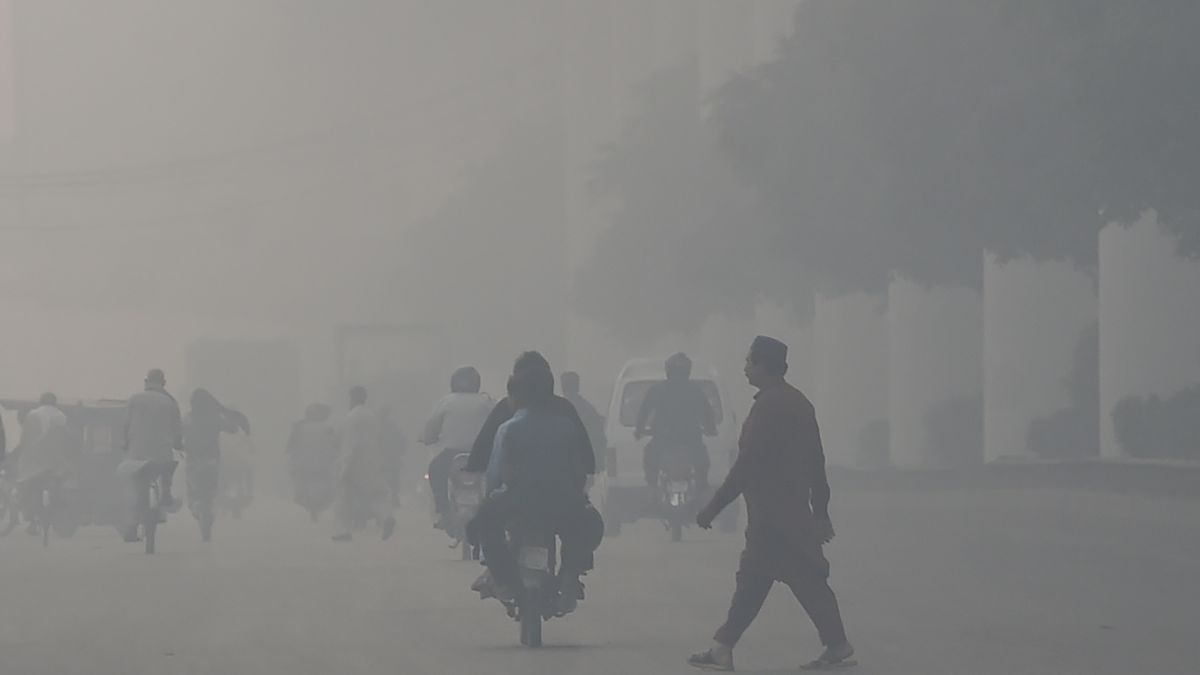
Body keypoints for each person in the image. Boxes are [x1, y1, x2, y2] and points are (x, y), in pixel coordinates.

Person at [688, 337, 853, 672]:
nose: (745, 368)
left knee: (775, 579)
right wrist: (820, 510)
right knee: (775, 579)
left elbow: (747, 465)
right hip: (789, 512)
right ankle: (726, 645)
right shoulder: (799, 403)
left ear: (764, 365)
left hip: (773, 516)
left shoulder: (769, 407)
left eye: (749, 361)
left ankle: (725, 646)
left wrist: (713, 507)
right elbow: (817, 461)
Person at [474, 365, 592, 612]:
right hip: (562, 501)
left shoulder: (508, 429)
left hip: (519, 502)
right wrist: (576, 497)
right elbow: (579, 471)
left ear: (516, 397)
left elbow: (496, 475)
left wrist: (491, 498)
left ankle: (504, 581)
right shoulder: (566, 426)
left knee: (483, 522)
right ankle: (570, 576)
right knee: (587, 525)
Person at [422, 366, 492, 527]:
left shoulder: (446, 401)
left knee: (434, 470)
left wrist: (428, 438)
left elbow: (430, 432)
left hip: (451, 456)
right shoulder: (486, 402)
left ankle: (443, 511)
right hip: (482, 455)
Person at [636, 352, 717, 488]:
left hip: (665, 439)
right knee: (701, 461)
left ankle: (652, 489)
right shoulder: (695, 391)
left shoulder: (657, 390)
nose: (678, 377)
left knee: (650, 457)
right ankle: (700, 488)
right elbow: (707, 413)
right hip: (688, 439)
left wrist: (639, 430)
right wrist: (711, 429)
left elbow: (644, 412)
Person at [122, 369, 183, 542]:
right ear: (163, 383)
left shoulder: (134, 399)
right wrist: (178, 444)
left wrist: (125, 444)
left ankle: (131, 527)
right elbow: (177, 430)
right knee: (167, 467)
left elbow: (126, 425)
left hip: (137, 453)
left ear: (146, 381)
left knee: (135, 488)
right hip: (161, 453)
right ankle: (166, 491)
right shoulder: (170, 402)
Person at [332, 386, 396, 542]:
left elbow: (348, 443)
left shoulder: (350, 417)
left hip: (354, 462)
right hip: (373, 461)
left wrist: (344, 467)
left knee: (344, 498)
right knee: (375, 495)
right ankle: (386, 517)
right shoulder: (372, 416)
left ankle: (343, 531)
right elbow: (380, 440)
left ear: (352, 398)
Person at [182, 388, 244, 531]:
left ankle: (196, 505)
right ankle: (209, 504)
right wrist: (229, 417)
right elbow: (232, 429)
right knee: (213, 486)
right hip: (212, 459)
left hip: (193, 459)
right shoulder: (215, 418)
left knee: (191, 485)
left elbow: (177, 432)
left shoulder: (187, 418)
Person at [15, 393, 70, 533]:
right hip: (58, 463)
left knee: (26, 488)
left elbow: (25, 441)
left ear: (40, 401)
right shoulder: (62, 416)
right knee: (59, 486)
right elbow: (66, 441)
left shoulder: (33, 415)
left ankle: (32, 522)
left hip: (36, 463)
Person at [286, 403, 338, 520]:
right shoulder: (327, 428)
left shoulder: (299, 427)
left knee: (298, 480)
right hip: (323, 464)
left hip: (303, 465)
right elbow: (335, 445)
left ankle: (306, 500)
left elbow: (290, 446)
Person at [560, 371, 606, 474]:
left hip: (567, 465)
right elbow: (599, 438)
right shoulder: (589, 409)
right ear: (578, 386)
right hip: (582, 465)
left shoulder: (556, 409)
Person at [378, 407, 409, 507]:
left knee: (392, 478)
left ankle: (393, 497)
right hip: (386, 458)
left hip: (388, 458)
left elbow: (401, 440)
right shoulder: (389, 427)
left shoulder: (382, 427)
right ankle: (391, 498)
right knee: (392, 478)